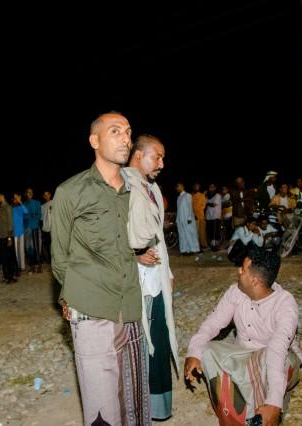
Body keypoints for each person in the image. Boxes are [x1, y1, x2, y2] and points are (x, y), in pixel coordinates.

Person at [51, 112, 149, 425]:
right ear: (94, 141)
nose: (125, 138)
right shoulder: (70, 192)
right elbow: (59, 258)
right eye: (115, 131)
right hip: (92, 310)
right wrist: (75, 298)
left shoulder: (135, 191)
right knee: (101, 406)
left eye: (128, 132)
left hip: (130, 305)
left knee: (133, 399)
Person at [184, 249, 302, 426]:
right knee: (207, 351)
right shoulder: (235, 292)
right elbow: (212, 323)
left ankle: (262, 413)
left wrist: (274, 403)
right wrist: (194, 352)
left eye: (243, 269)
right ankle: (235, 417)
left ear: (254, 280)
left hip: (275, 360)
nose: (239, 271)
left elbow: (277, 349)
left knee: (272, 361)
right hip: (243, 353)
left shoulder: (285, 304)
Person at [125, 134, 178, 421]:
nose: (161, 164)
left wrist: (167, 272)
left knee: (159, 338)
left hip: (156, 278)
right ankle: (137, 408)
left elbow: (158, 238)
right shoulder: (120, 186)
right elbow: (109, 235)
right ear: (138, 155)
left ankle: (159, 409)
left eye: (163, 158)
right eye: (156, 157)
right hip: (134, 281)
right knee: (138, 345)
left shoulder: (153, 189)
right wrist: (132, 254)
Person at [176, 182, 200, 255]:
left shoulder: (187, 195)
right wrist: (177, 219)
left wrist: (189, 218)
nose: (177, 188)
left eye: (178, 186)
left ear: (182, 186)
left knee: (190, 234)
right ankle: (184, 250)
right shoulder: (179, 197)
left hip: (187, 219)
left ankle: (193, 249)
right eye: (176, 187)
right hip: (180, 219)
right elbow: (178, 209)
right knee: (182, 235)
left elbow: (190, 207)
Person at [24, 188, 43, 273]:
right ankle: (32, 266)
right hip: (27, 228)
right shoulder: (24, 204)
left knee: (36, 247)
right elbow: (24, 217)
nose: (30, 193)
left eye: (31, 192)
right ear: (26, 194)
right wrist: (31, 215)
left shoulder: (37, 202)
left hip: (35, 227)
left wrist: (30, 215)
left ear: (33, 193)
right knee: (28, 248)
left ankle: (39, 265)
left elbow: (39, 215)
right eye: (28, 192)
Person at [205, 183, 222, 250]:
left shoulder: (217, 195)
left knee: (215, 232)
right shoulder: (207, 196)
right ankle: (212, 245)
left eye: (212, 187)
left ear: (215, 188)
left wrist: (207, 203)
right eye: (210, 187)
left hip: (215, 216)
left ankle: (216, 245)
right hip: (209, 216)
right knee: (210, 232)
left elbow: (214, 205)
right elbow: (205, 203)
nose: (211, 189)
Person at [192, 183, 208, 249]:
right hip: (194, 217)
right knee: (195, 232)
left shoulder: (202, 195)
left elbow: (203, 206)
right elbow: (190, 207)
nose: (196, 188)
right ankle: (197, 246)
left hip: (201, 216)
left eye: (198, 186)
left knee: (202, 231)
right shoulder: (191, 196)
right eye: (195, 186)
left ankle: (203, 245)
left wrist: (197, 212)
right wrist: (194, 214)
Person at [40, 191, 53, 264]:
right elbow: (41, 219)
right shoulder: (42, 206)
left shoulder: (54, 202)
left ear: (50, 195)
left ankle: (54, 260)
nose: (46, 196)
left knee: (54, 245)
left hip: (53, 228)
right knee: (47, 245)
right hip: (45, 229)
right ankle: (49, 260)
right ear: (43, 196)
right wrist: (42, 229)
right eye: (45, 195)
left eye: (47, 194)